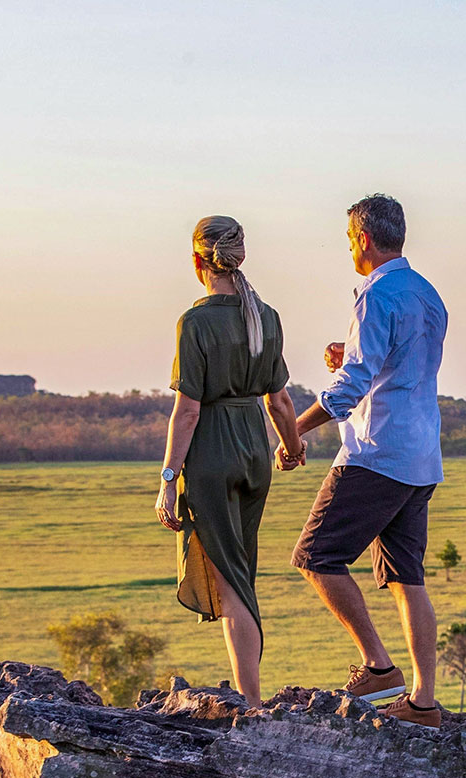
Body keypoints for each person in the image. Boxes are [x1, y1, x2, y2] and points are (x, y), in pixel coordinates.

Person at [288, 194, 448, 727]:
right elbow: (391, 364)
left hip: (376, 452)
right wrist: (347, 355)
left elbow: (356, 382)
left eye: (348, 241)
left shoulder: (376, 294)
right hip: (421, 454)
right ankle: (423, 704)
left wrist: (295, 428)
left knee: (316, 556)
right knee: (407, 576)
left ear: (362, 239)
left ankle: (379, 667)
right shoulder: (428, 295)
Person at [156, 215, 305, 706]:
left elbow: (189, 409)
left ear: (198, 261)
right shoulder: (268, 315)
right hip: (254, 451)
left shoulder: (195, 322)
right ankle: (249, 692)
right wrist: (292, 446)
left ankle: (251, 701)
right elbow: (280, 402)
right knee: (241, 569)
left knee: (233, 578)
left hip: (213, 451)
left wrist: (167, 478)